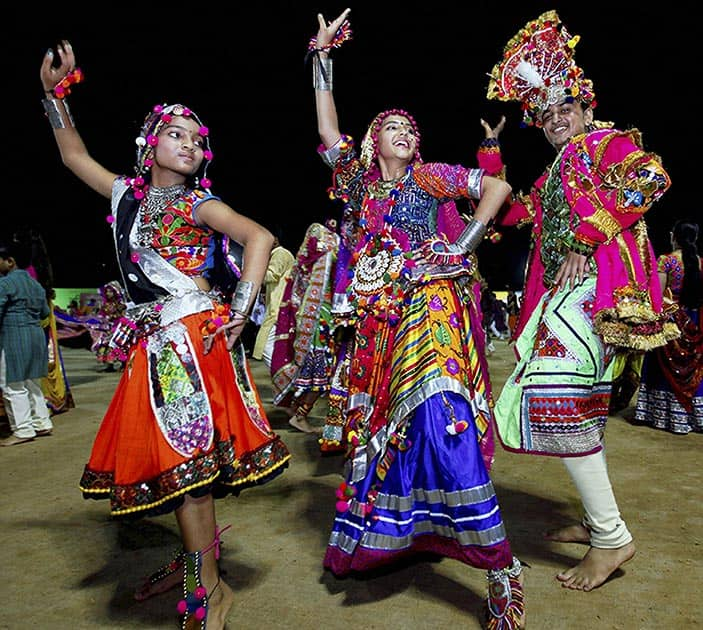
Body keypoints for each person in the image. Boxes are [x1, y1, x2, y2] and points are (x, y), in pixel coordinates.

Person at [40, 40, 290, 629]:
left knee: (190, 467)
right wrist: (54, 97)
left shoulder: (201, 204)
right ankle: (199, 566)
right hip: (153, 347)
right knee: (181, 469)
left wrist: (243, 308)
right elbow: (74, 156)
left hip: (193, 341)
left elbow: (258, 238)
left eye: (198, 141)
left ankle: (208, 583)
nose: (191, 145)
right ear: (151, 142)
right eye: (178, 134)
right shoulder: (126, 196)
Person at [309, 10, 524, 629]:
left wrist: (462, 247)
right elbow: (327, 131)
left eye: (410, 127)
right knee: (390, 432)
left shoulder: (430, 177)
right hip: (377, 323)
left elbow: (497, 190)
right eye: (391, 127)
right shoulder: (356, 185)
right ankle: (406, 532)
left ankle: (499, 566)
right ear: (372, 141)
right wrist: (323, 60)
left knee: (442, 411)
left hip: (432, 300)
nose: (404, 131)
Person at [485, 11, 676, 592]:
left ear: (586, 106)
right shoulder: (557, 170)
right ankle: (595, 521)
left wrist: (591, 237)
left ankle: (612, 537)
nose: (554, 120)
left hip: (600, 293)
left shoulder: (605, 144)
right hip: (565, 301)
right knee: (579, 406)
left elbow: (652, 179)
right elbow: (518, 215)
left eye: (564, 107)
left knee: (557, 397)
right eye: (543, 115)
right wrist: (491, 160)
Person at [270, 219, 339, 434]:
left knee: (314, 372)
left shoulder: (307, 266)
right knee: (322, 373)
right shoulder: (329, 247)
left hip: (313, 316)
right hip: (319, 318)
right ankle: (300, 416)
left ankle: (296, 410)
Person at [634, 220, 703, 432]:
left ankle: (660, 416)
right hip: (695, 321)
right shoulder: (700, 263)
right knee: (694, 370)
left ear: (674, 237)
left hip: (671, 321)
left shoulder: (666, 261)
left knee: (660, 368)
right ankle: (694, 417)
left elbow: (658, 296)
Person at [12, 226, 76, 414]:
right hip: (44, 316)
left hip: (30, 320)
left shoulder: (24, 271)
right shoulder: (41, 268)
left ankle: (40, 406)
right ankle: (52, 399)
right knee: (48, 358)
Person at [0, 241, 54, 446]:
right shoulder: (35, 284)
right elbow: (44, 313)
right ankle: (42, 423)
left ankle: (23, 429)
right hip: (35, 337)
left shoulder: (5, 284)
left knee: (12, 385)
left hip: (13, 337)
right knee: (32, 383)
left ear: (10, 261)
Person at [252, 236, 294, 366]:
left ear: (275, 240)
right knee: (278, 347)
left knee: (264, 346)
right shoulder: (280, 254)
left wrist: (253, 271)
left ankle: (282, 374)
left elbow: (272, 275)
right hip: (278, 307)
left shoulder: (280, 253)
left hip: (278, 309)